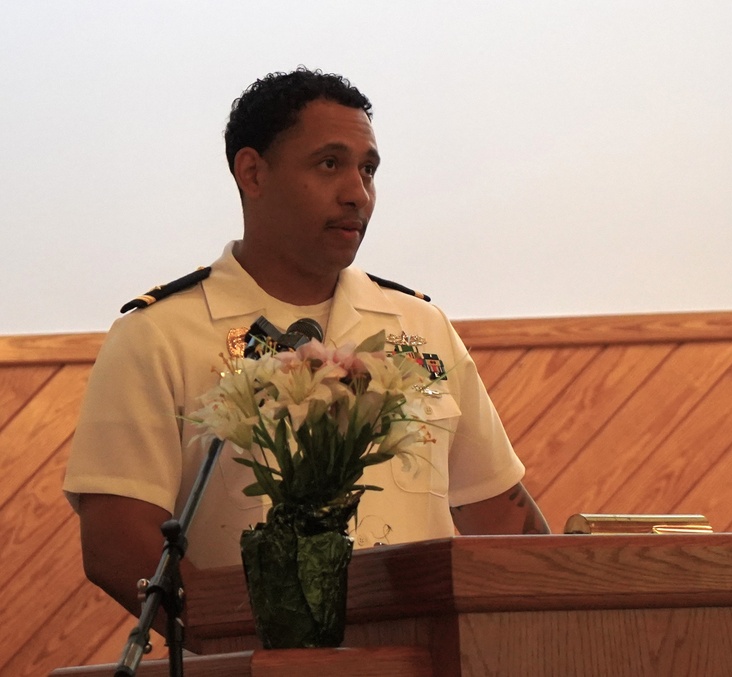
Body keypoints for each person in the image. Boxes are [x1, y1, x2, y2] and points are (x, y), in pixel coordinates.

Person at [63, 67, 550, 619]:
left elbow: (499, 513)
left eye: (368, 170)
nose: (357, 193)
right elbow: (117, 541)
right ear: (252, 172)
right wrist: (256, 641)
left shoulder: (420, 328)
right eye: (329, 164)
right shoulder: (159, 335)